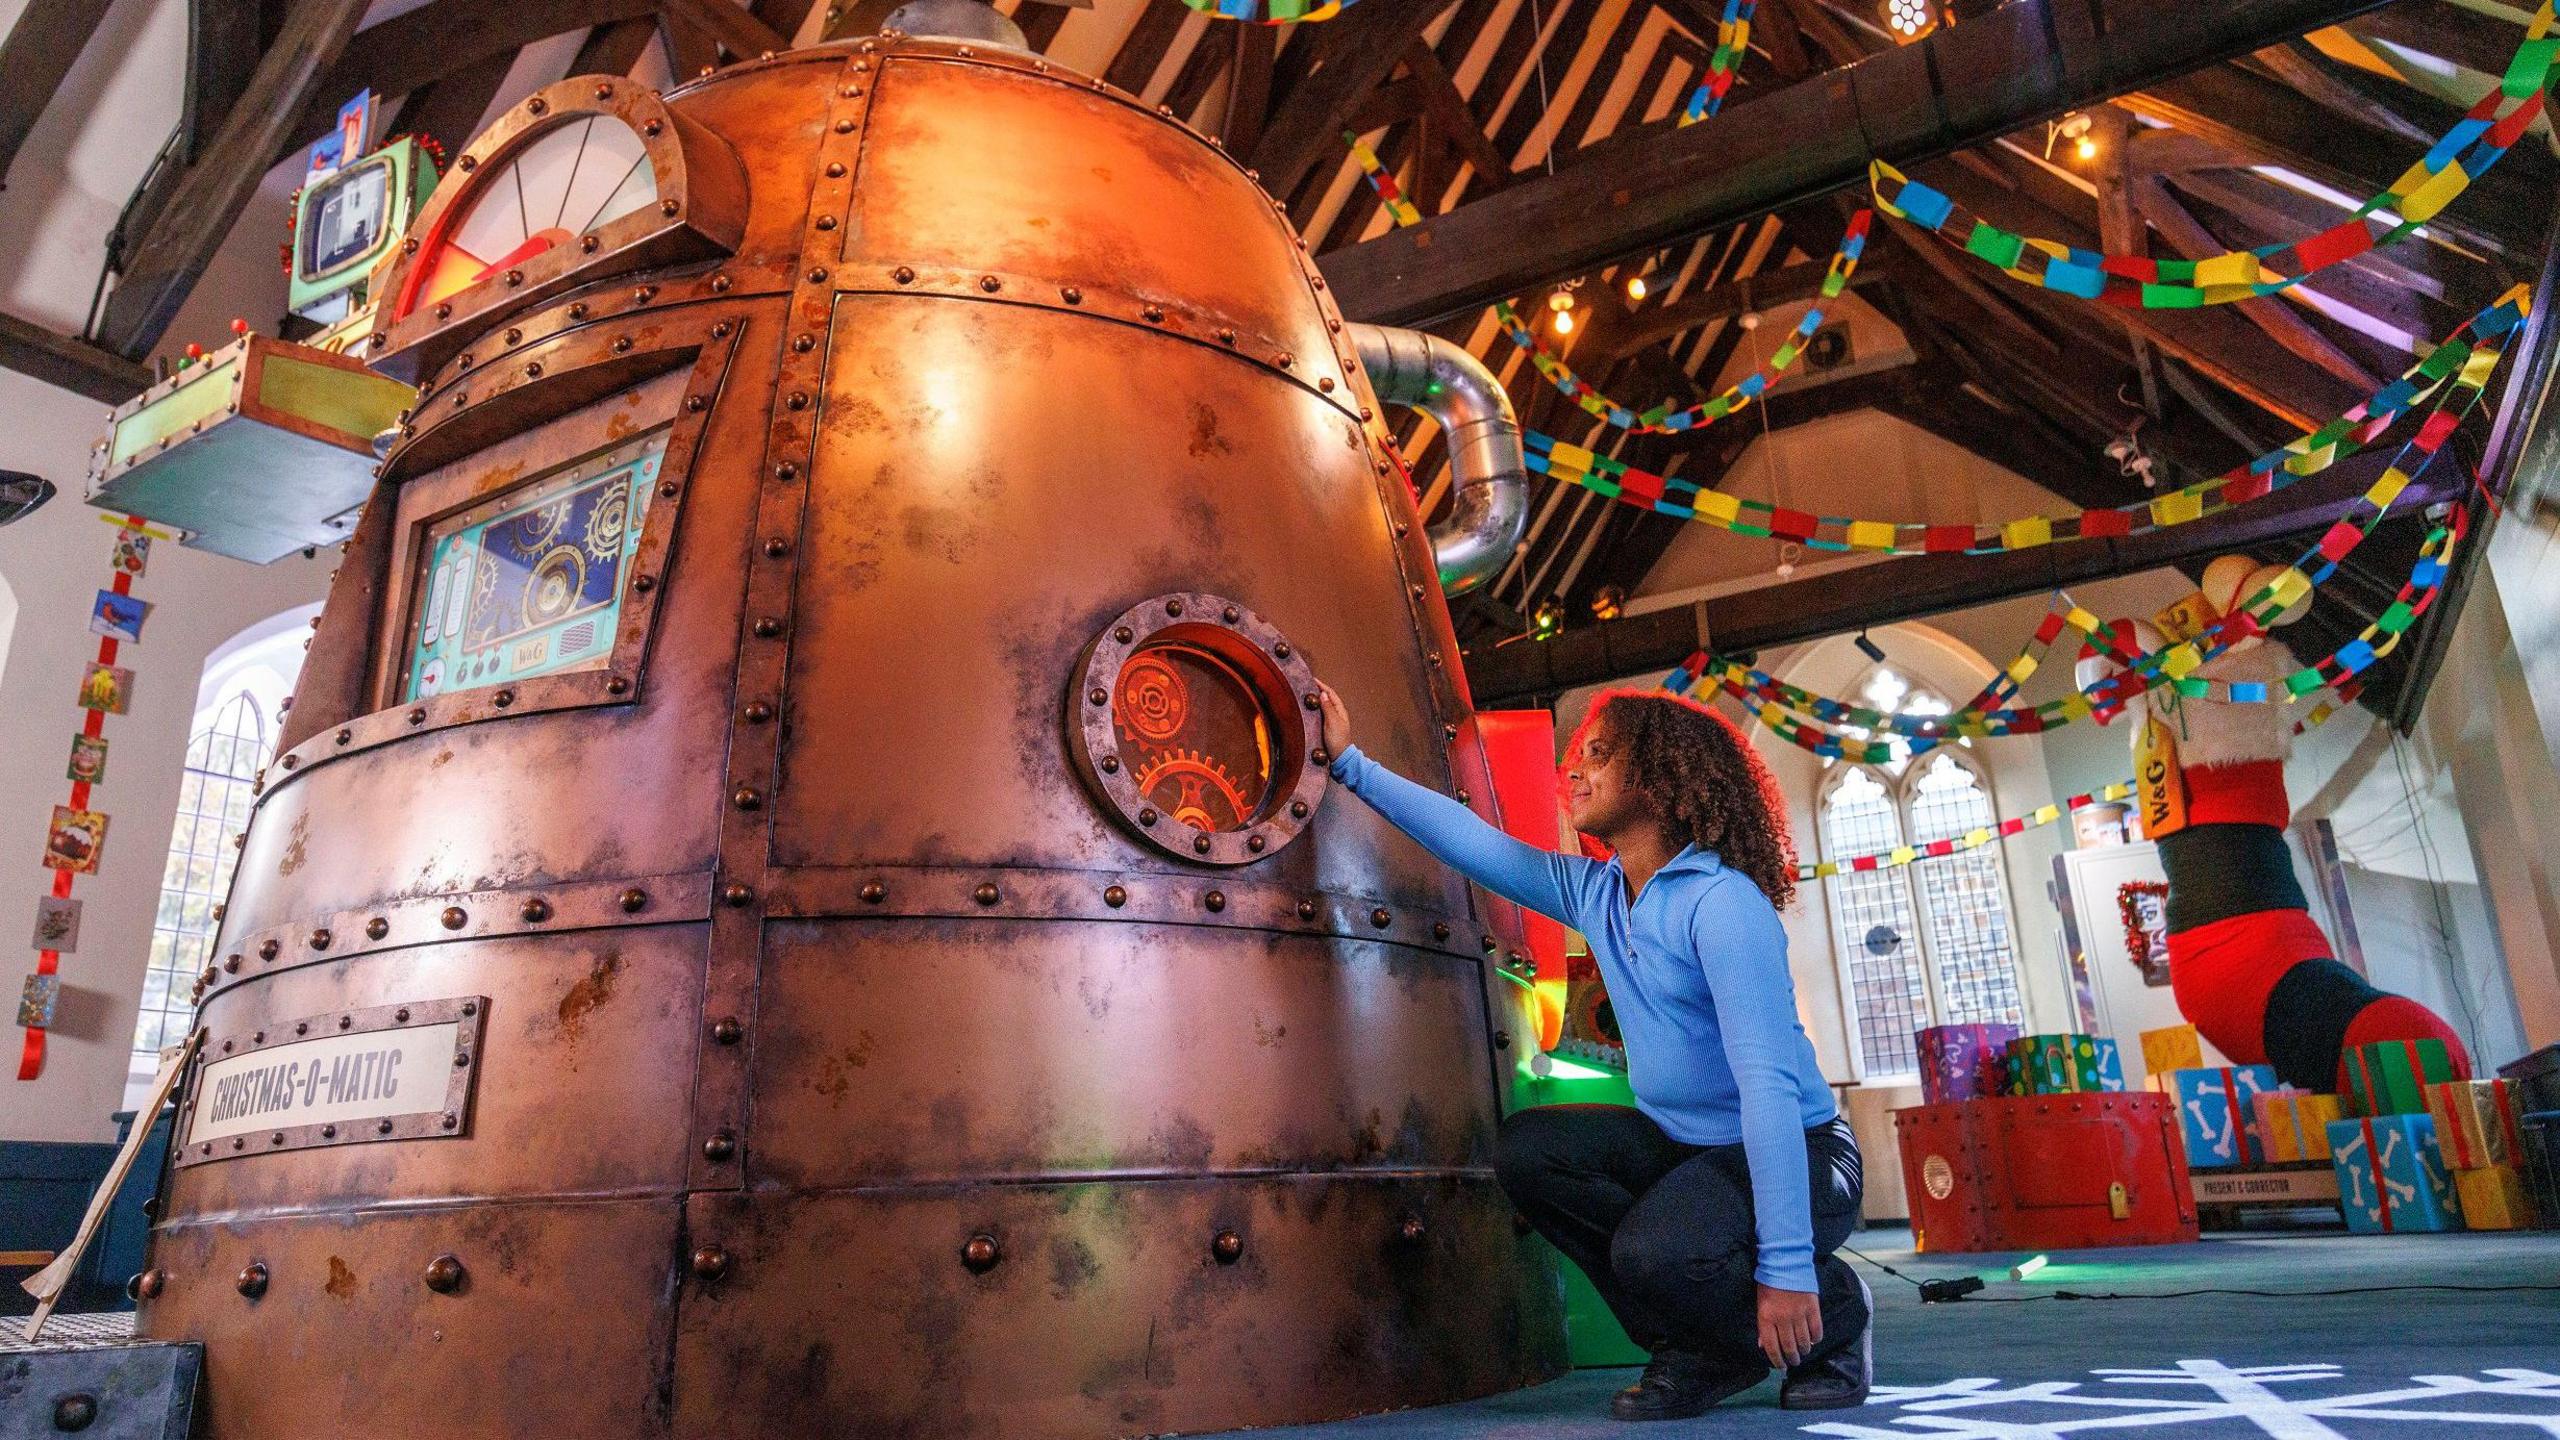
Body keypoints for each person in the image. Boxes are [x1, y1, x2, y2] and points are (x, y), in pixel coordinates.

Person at [1316, 683, 1870, 1421]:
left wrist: (1790, 1264)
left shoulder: (1724, 905)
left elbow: (1767, 1091)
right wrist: (1348, 763)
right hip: (1690, 1148)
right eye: (1574, 757)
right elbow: (1474, 842)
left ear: (1660, 777)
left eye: (1599, 755)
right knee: (1532, 1151)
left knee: (1656, 1250)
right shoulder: (1598, 894)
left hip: (1803, 1155)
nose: (1572, 772)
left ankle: (1837, 1313)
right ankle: (1703, 1346)